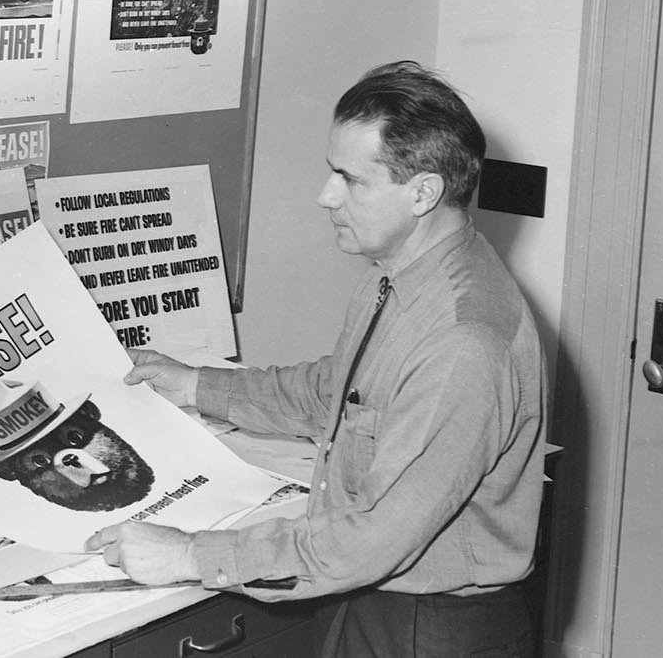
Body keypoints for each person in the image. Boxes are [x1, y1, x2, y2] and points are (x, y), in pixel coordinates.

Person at [86, 61, 545, 657]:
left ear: (423, 192)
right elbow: (341, 392)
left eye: (350, 179)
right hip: (373, 600)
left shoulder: (463, 342)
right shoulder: (405, 276)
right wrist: (196, 385)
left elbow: (367, 543)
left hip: (430, 627)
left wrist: (187, 555)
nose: (325, 195)